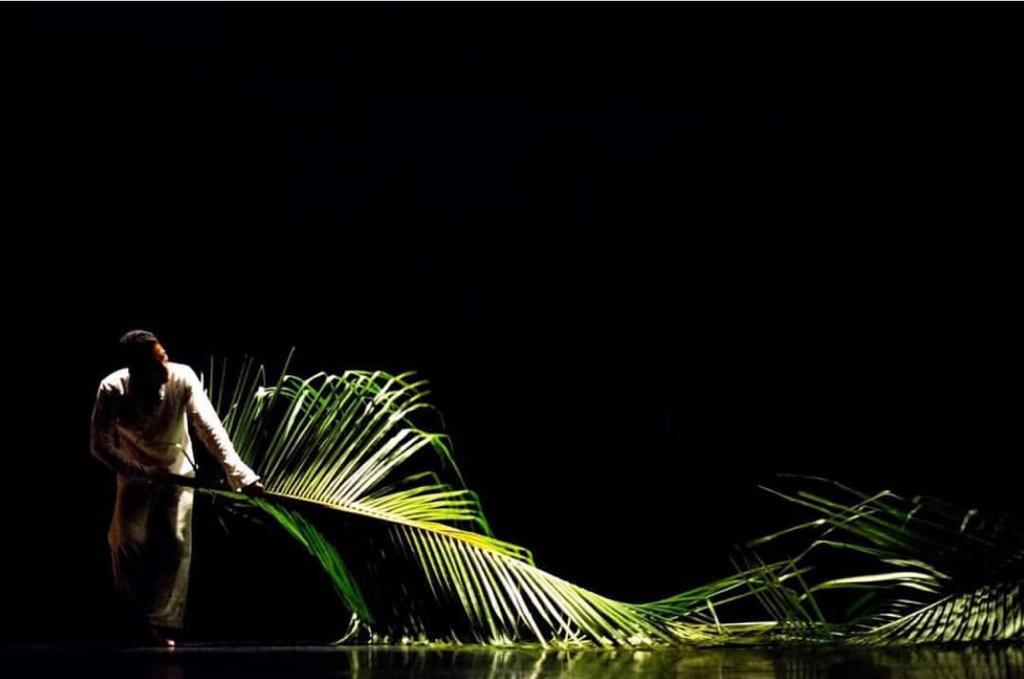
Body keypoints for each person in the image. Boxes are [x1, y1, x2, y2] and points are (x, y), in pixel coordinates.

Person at [90, 330, 264, 647]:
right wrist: (141, 472)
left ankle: (162, 623)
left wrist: (240, 474)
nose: (165, 367)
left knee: (175, 541)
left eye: (165, 357)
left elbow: (209, 427)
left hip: (178, 469)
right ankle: (134, 620)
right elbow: (100, 444)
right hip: (135, 471)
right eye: (156, 363)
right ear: (137, 369)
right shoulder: (113, 388)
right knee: (127, 543)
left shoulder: (182, 377)